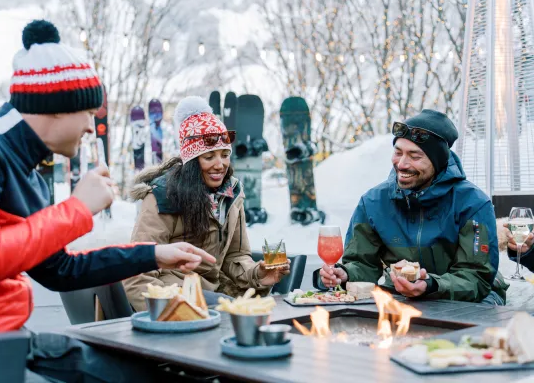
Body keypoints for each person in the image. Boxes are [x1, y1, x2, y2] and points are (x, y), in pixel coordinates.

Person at [0, 20, 216, 382]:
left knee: (152, 373)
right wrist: (77, 209)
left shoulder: (31, 177)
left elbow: (61, 270)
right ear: (55, 107)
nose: (90, 127)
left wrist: (153, 254)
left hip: (13, 341)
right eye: (87, 112)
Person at [314, 109, 508, 305]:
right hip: (400, 296)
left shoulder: (472, 203)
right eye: (398, 152)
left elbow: (476, 278)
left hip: (469, 300)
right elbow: (362, 264)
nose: (402, 164)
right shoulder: (373, 203)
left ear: (438, 161)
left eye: (415, 156)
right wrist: (345, 274)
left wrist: (431, 284)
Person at [123, 96, 290, 311]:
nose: (219, 165)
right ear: (192, 161)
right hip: (175, 296)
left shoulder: (232, 195)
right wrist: (173, 313)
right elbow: (138, 274)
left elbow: (236, 256)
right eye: (209, 156)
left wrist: (258, 273)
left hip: (213, 293)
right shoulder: (163, 197)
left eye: (224, 155)